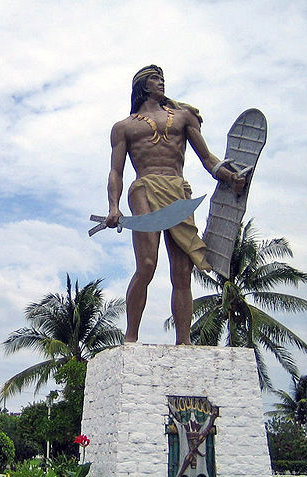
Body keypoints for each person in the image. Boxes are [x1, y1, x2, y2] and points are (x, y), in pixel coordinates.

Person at [105, 65, 245, 344]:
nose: (162, 83)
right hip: (144, 187)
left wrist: (229, 177)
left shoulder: (183, 118)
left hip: (178, 189)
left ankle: (184, 341)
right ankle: (130, 338)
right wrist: (113, 207)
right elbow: (116, 172)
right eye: (156, 79)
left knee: (182, 271)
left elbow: (207, 158)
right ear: (144, 85)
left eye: (163, 79)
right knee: (146, 264)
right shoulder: (124, 127)